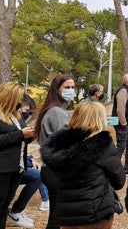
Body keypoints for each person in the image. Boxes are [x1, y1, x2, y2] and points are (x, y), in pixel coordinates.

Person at [41, 101, 126, 229]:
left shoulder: (59, 145)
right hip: (95, 213)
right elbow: (119, 181)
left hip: (67, 215)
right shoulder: (103, 146)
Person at [0, 82, 36, 229]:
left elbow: (18, 139)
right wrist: (20, 134)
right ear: (8, 97)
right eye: (18, 98)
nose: (20, 101)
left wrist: (30, 135)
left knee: (4, 205)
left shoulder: (15, 115)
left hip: (15, 167)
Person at [35, 74, 75, 229]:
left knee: (56, 216)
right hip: (56, 170)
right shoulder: (56, 112)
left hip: (52, 168)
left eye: (72, 87)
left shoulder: (55, 110)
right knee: (57, 218)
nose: (71, 91)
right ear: (56, 90)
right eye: (67, 87)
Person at [7, 96, 48, 227]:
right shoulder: (2, 117)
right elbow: (9, 143)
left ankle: (17, 211)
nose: (27, 113)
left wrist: (29, 159)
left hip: (17, 163)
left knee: (38, 175)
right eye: (26, 109)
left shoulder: (17, 117)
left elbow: (21, 144)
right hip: (6, 165)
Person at [111, 73, 128, 175]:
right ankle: (113, 169)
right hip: (123, 124)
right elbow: (120, 109)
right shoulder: (123, 91)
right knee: (121, 146)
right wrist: (124, 123)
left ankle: (127, 168)